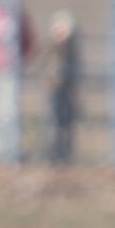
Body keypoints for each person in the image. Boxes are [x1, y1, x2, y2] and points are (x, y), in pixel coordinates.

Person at [40, 11, 82, 165]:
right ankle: (53, 152)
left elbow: (73, 72)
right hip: (54, 90)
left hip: (68, 91)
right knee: (54, 121)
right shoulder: (51, 48)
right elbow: (46, 68)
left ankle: (65, 153)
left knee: (67, 121)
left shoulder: (72, 51)